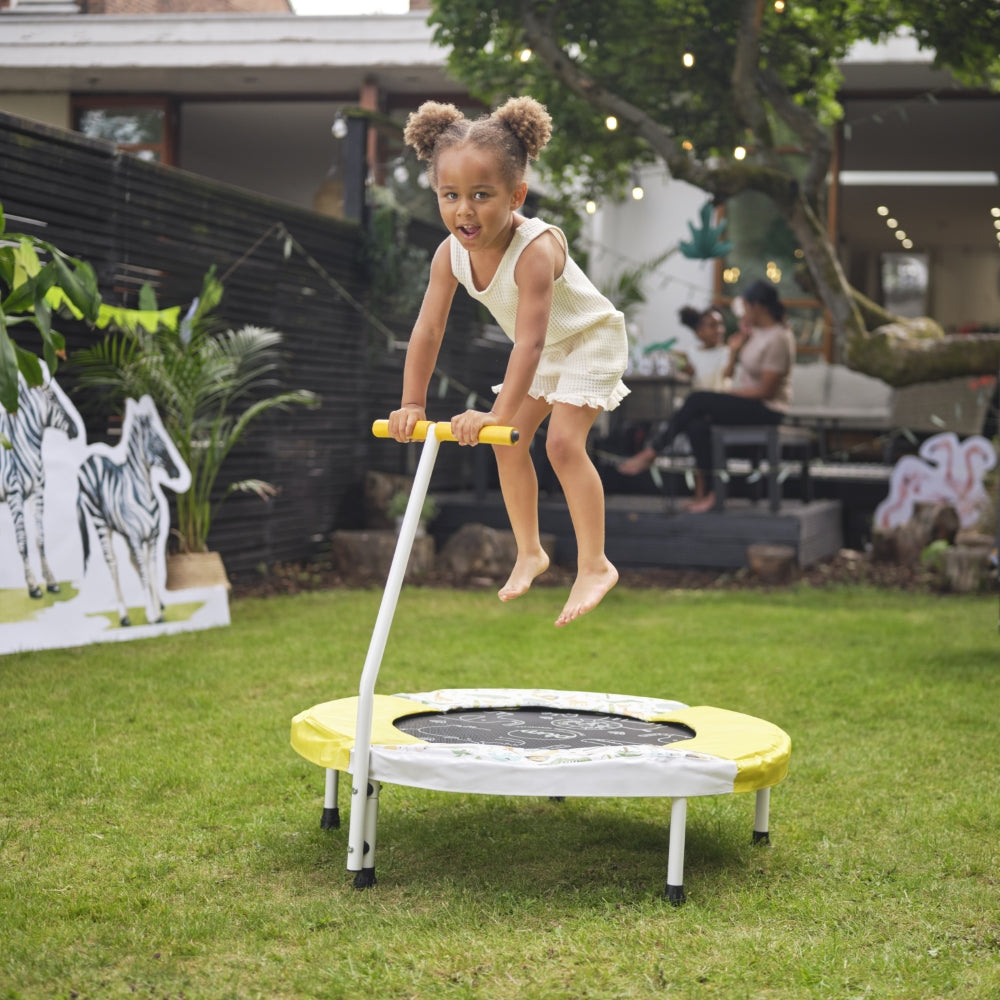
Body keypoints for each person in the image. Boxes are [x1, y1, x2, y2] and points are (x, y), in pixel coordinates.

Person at [387, 96, 629, 627]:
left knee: (563, 444)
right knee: (510, 443)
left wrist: (495, 416)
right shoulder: (449, 255)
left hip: (588, 339)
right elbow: (428, 330)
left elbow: (530, 343)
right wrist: (411, 402)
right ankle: (530, 551)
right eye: (449, 196)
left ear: (516, 194)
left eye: (481, 195)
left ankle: (595, 564)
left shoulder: (535, 249)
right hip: (544, 347)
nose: (464, 211)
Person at [618, 279, 795, 512]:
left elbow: (767, 391)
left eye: (747, 307)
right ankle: (712, 494)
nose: (743, 313)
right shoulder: (759, 333)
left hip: (768, 409)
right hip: (749, 402)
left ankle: (652, 451)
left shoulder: (779, 338)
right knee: (696, 424)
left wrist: (730, 394)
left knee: (697, 399)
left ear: (758, 307)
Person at [673, 305, 730, 390]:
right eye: (713, 326)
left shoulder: (728, 353)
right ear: (699, 332)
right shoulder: (690, 355)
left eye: (721, 324)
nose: (720, 330)